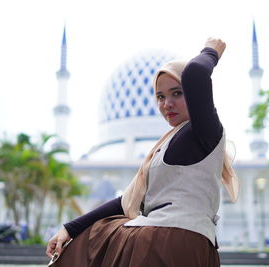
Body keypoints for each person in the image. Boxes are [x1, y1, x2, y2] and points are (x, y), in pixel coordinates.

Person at [46, 37, 238, 267]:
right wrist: (69, 229)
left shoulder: (204, 131)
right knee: (96, 230)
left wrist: (211, 51)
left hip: (171, 243)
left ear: (193, 94)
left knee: (96, 237)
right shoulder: (164, 147)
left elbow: (195, 73)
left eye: (177, 93)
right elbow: (124, 202)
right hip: (167, 243)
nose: (167, 104)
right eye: (160, 96)